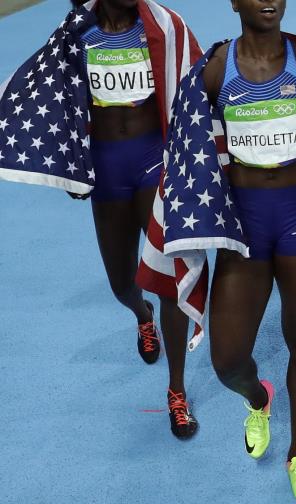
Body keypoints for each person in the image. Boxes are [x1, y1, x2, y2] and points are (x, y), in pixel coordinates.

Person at [144, 0, 296, 499]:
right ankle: (259, 398)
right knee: (228, 360)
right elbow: (186, 144)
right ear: (234, 2)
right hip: (244, 225)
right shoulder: (214, 69)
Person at [0, 0, 201, 438]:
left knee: (168, 276)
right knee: (122, 284)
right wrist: (67, 165)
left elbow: (193, 86)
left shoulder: (165, 27)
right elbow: (54, 95)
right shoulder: (78, 30)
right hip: (107, 172)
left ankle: (177, 391)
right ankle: (141, 316)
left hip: (153, 164)